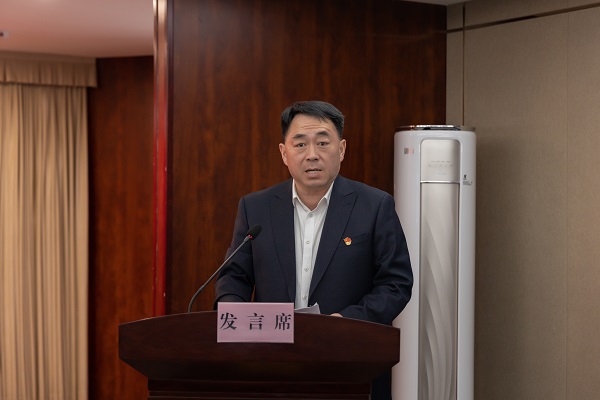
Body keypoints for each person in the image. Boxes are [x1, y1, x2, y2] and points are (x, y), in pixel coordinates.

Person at [214, 100, 413, 400]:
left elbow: (396, 283)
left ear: (341, 149)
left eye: (322, 142)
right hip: (271, 365)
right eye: (300, 144)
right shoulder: (255, 208)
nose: (312, 155)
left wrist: (347, 322)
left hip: (350, 365)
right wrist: (236, 318)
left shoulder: (374, 206)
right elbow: (234, 277)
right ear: (284, 152)